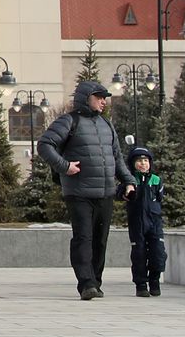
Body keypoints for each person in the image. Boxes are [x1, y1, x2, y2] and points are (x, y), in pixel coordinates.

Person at [36, 79, 133, 300]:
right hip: (79, 193)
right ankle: (86, 283)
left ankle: (95, 282)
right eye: (99, 97)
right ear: (85, 98)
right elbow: (44, 145)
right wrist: (64, 166)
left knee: (100, 240)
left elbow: (117, 157)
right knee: (83, 238)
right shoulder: (69, 121)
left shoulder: (106, 124)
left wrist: (128, 181)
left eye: (104, 98)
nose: (103, 101)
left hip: (105, 192)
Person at [121, 146, 166, 297]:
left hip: (154, 222)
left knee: (158, 253)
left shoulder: (156, 180)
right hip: (137, 222)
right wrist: (127, 192)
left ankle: (154, 280)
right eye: (139, 161)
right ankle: (141, 285)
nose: (143, 164)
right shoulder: (130, 180)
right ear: (133, 163)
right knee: (139, 254)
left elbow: (159, 198)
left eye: (146, 161)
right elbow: (120, 193)